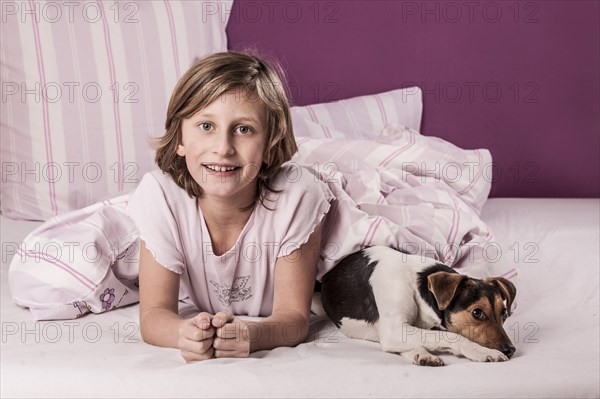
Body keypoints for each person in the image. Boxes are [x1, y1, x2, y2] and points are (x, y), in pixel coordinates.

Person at [126, 51, 334, 363]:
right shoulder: (161, 197)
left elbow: (293, 319)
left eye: (244, 129)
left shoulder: (296, 196)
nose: (223, 148)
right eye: (206, 126)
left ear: (269, 145)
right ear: (179, 138)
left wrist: (252, 336)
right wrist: (184, 333)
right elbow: (154, 315)